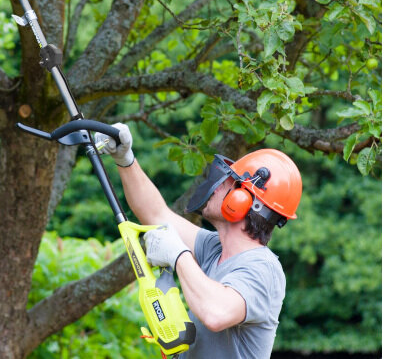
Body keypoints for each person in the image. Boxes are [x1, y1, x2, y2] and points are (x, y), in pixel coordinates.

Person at [94, 123, 302, 358]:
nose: (219, 183)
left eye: (230, 181)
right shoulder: (214, 248)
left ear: (243, 200)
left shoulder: (263, 269)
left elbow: (216, 313)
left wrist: (178, 255)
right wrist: (125, 159)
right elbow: (156, 214)